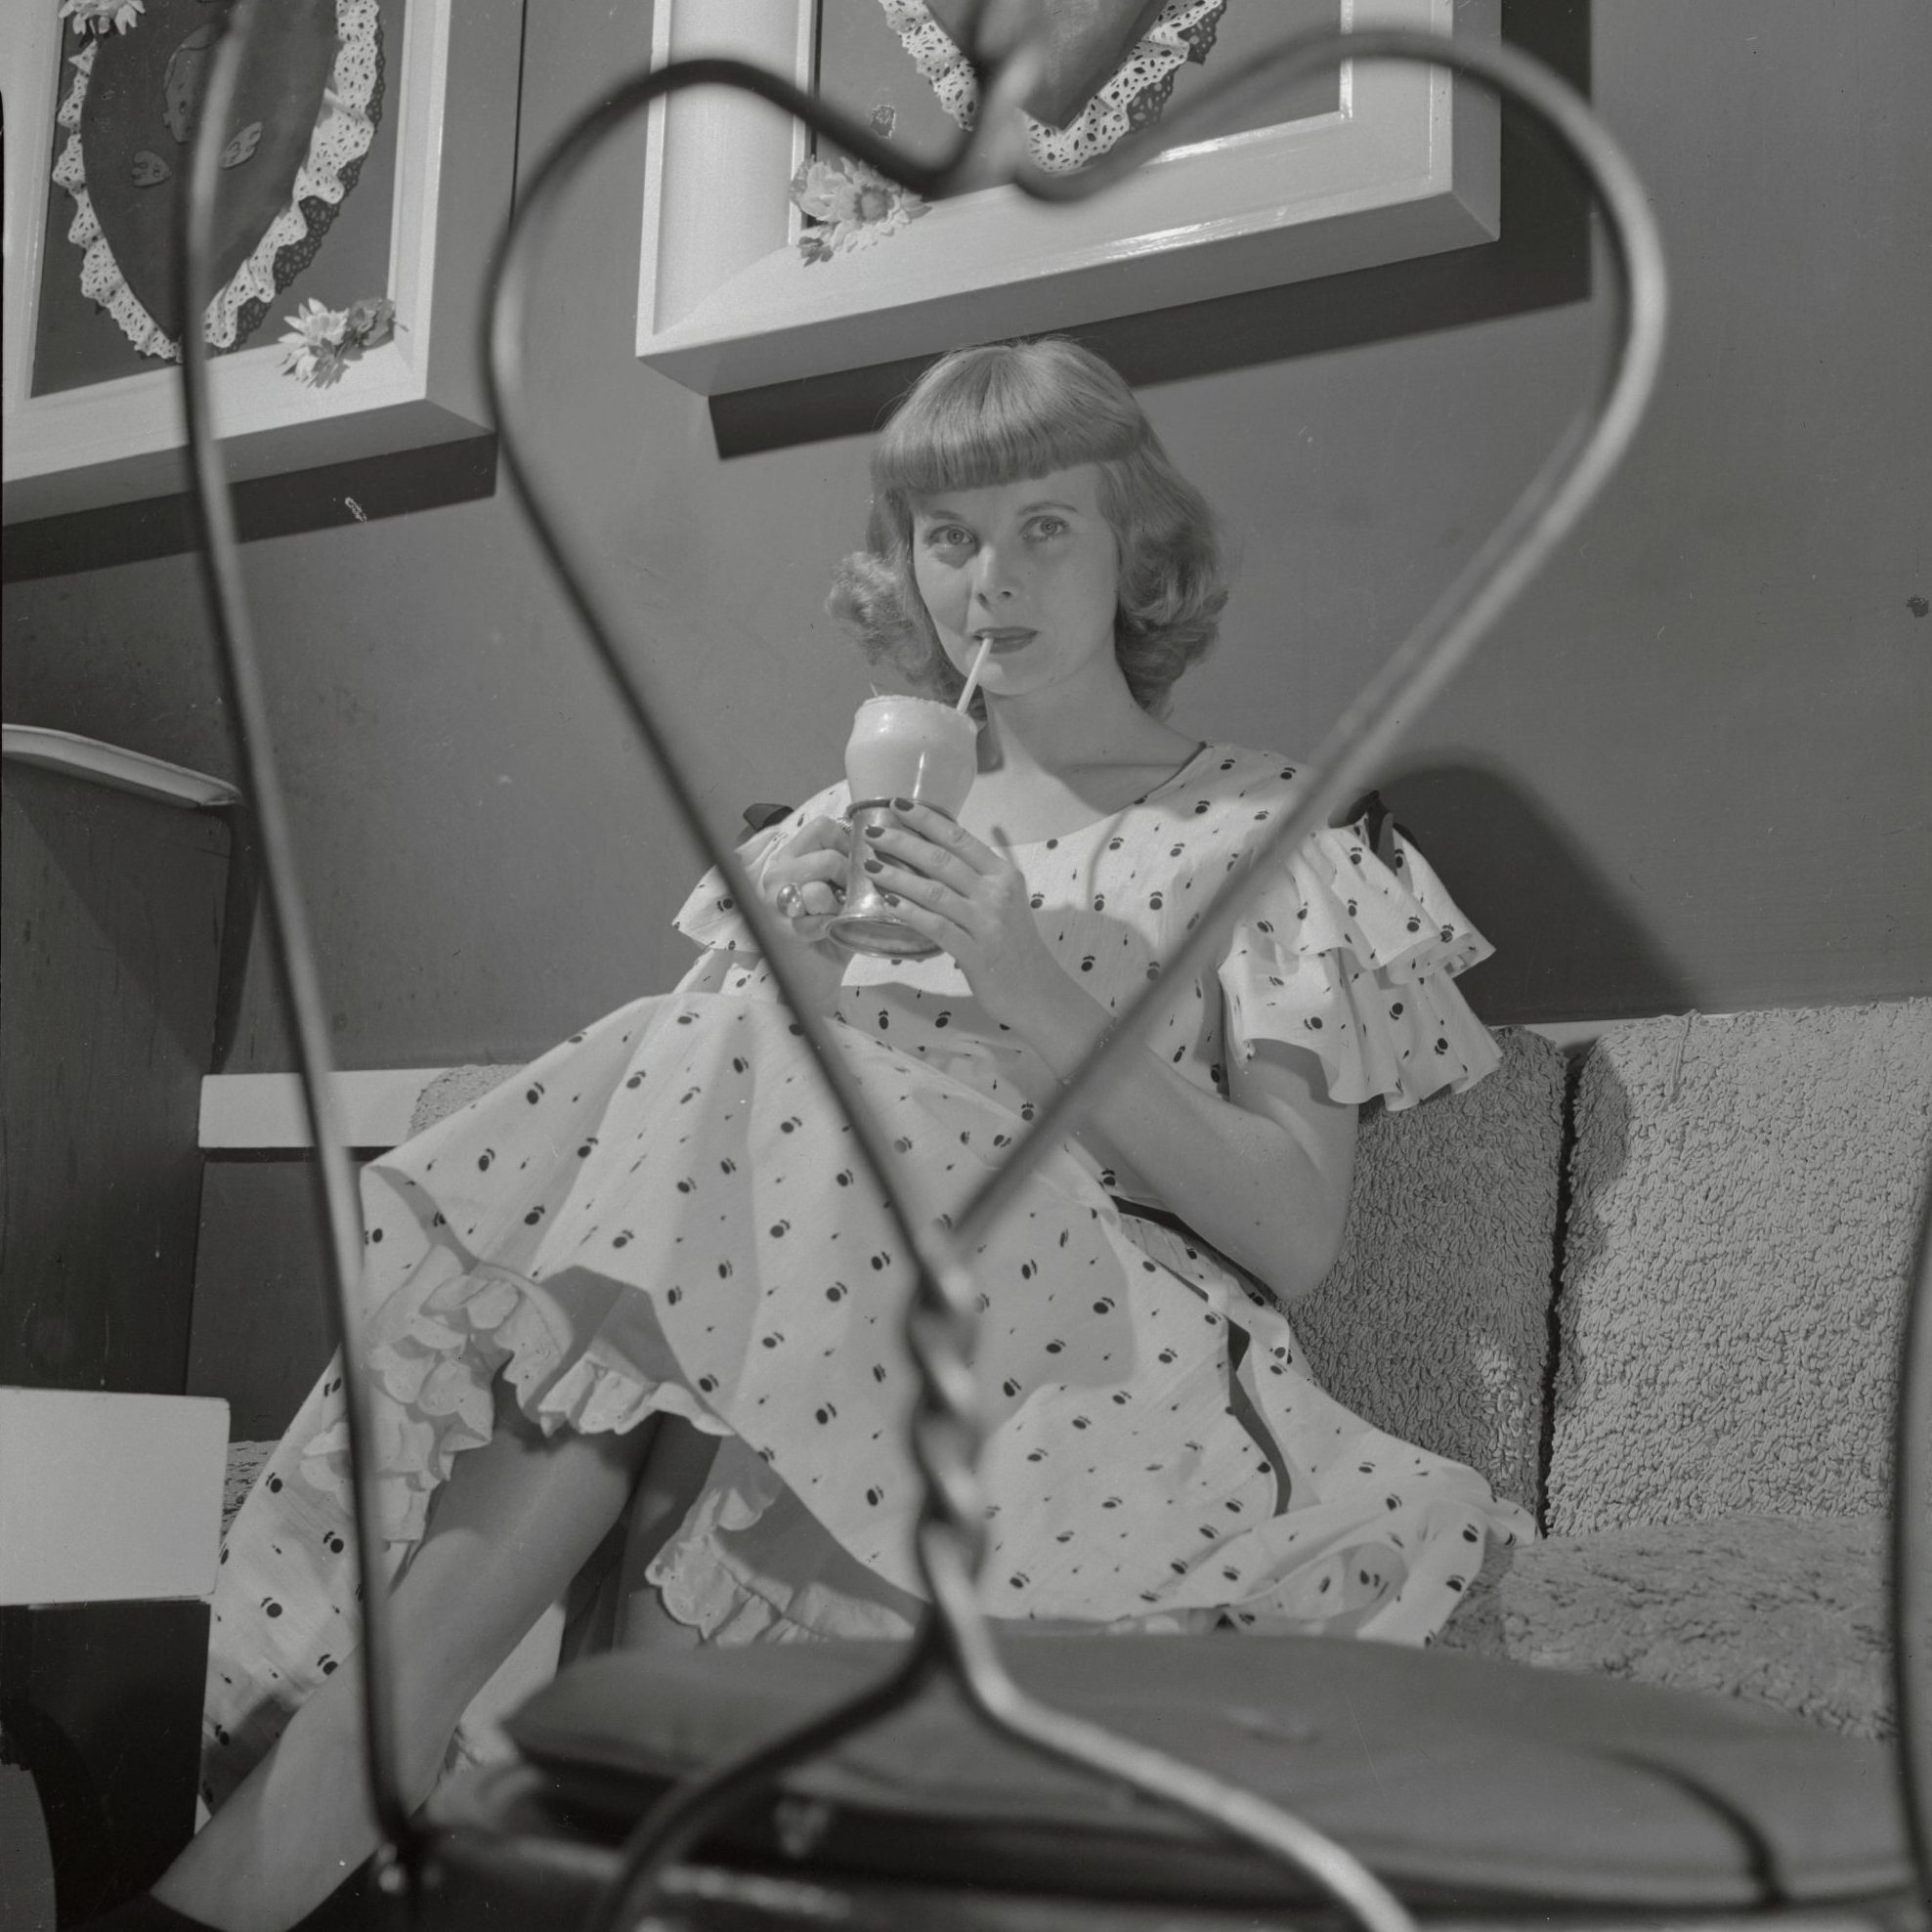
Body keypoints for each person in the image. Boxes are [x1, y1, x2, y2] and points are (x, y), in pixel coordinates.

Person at [128, 339, 1530, 1931]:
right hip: (801, 1319)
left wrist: (1026, 986)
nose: (986, 579)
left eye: (1041, 528)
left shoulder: (1266, 828)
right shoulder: (835, 828)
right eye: (947, 536)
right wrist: (781, 974)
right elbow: (654, 1180)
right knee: (719, 1094)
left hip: (1088, 1352)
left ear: (1138, 544)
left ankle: (282, 1850)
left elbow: (1294, 1232)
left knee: (736, 1197)